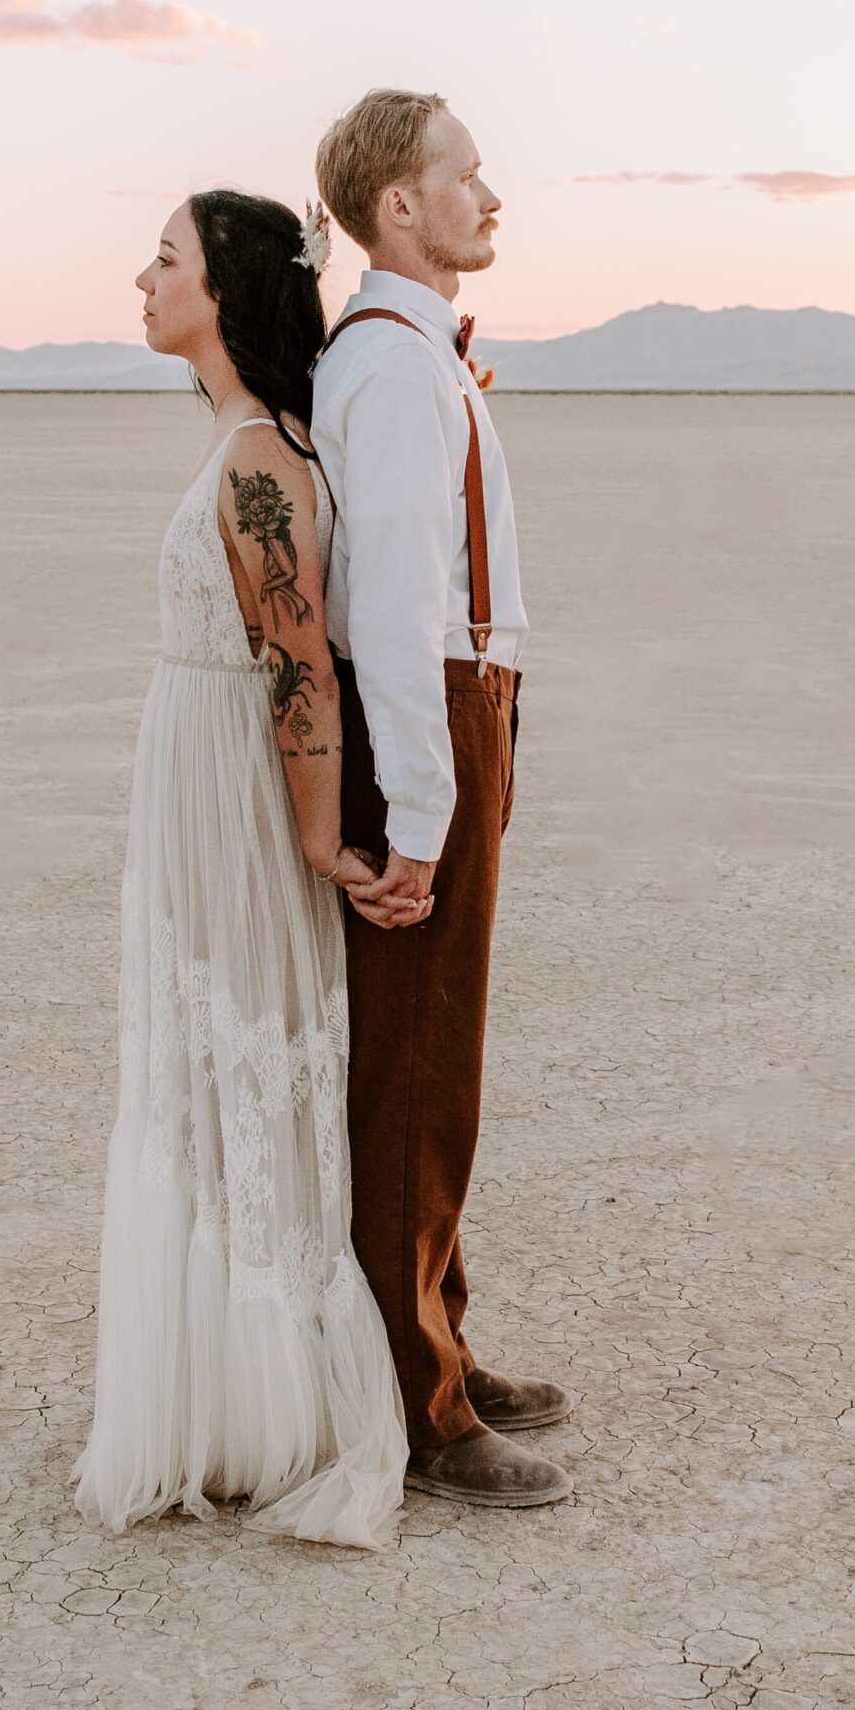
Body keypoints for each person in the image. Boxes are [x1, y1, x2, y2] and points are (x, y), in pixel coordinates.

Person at [72, 189, 409, 1550]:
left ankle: (266, 1405)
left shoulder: (262, 460)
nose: (141, 280)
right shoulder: (238, 442)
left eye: (165, 259)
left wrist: (321, 839)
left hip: (234, 795)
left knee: (242, 1074)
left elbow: (300, 665)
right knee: (201, 1078)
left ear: (224, 288)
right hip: (192, 779)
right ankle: (217, 1391)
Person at [311, 89, 573, 1509]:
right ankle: (420, 1407)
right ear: (398, 206)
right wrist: (423, 813)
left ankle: (445, 1347)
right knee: (414, 1065)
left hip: (472, 707)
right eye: (467, 174)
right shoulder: (395, 369)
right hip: (434, 715)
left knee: (438, 1057)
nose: (493, 193)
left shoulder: (420, 358)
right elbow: (400, 606)